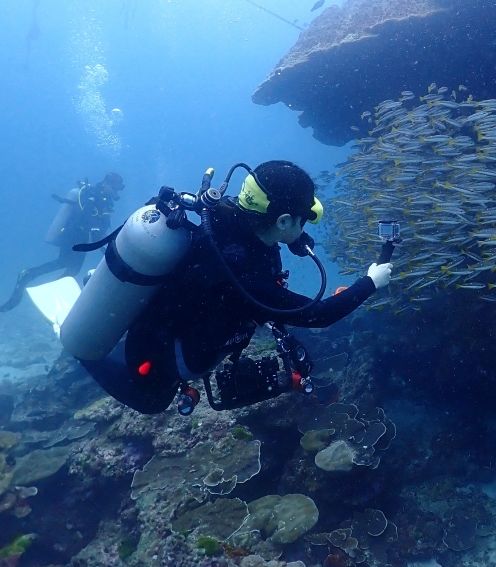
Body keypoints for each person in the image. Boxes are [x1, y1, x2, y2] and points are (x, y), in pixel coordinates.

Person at [79, 160, 392, 414]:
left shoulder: (225, 215)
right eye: (301, 221)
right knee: (152, 401)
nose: (304, 227)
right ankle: (82, 352)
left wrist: (297, 239)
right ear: (282, 221)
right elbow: (318, 315)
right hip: (160, 353)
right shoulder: (243, 275)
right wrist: (370, 282)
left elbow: (277, 233)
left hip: (163, 321)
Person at [0, 172, 125, 312]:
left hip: (81, 238)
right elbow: (88, 218)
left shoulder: (105, 200)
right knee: (66, 264)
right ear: (106, 183)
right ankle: (30, 276)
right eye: (114, 188)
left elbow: (101, 225)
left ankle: (40, 284)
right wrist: (99, 238)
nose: (115, 192)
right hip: (73, 235)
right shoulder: (92, 194)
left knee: (71, 268)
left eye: (118, 189)